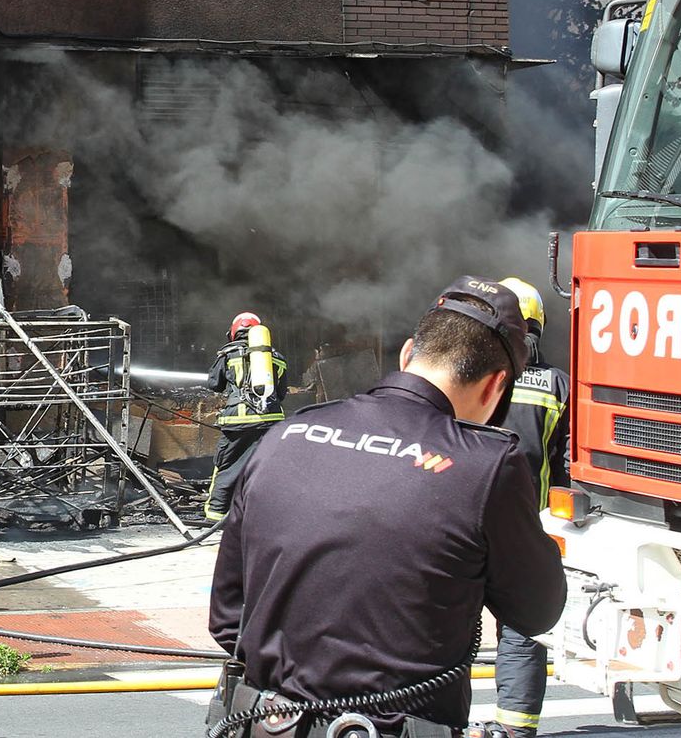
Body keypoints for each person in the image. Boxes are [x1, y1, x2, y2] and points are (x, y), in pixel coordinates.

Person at [208, 277, 566, 738]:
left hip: (266, 724)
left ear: (408, 353)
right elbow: (538, 612)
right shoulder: (488, 465)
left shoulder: (287, 435)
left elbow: (227, 617)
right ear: (498, 385)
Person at [477, 277, 571, 738]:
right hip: (527, 528)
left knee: (447, 624)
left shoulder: (466, 376)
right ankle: (515, 729)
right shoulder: (557, 385)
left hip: (463, 521)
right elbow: (567, 462)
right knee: (521, 632)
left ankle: (436, 722)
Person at [204, 312, 288, 521]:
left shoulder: (228, 353)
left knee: (227, 467)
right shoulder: (276, 358)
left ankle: (215, 515)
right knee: (266, 468)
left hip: (237, 421)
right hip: (270, 421)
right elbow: (282, 393)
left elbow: (214, 384)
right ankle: (267, 517)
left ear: (233, 333)